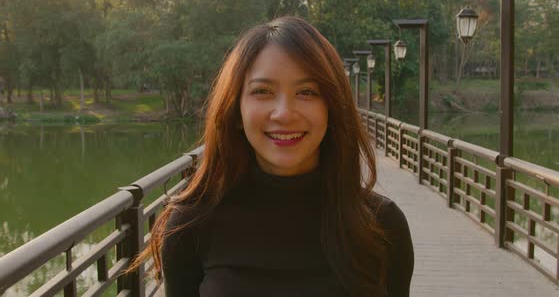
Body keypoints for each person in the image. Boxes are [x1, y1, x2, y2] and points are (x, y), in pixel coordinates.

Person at [129, 16, 414, 296]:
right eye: (262, 91)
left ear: (332, 107)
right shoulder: (191, 224)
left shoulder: (381, 225)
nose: (284, 113)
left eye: (306, 92)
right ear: (236, 111)